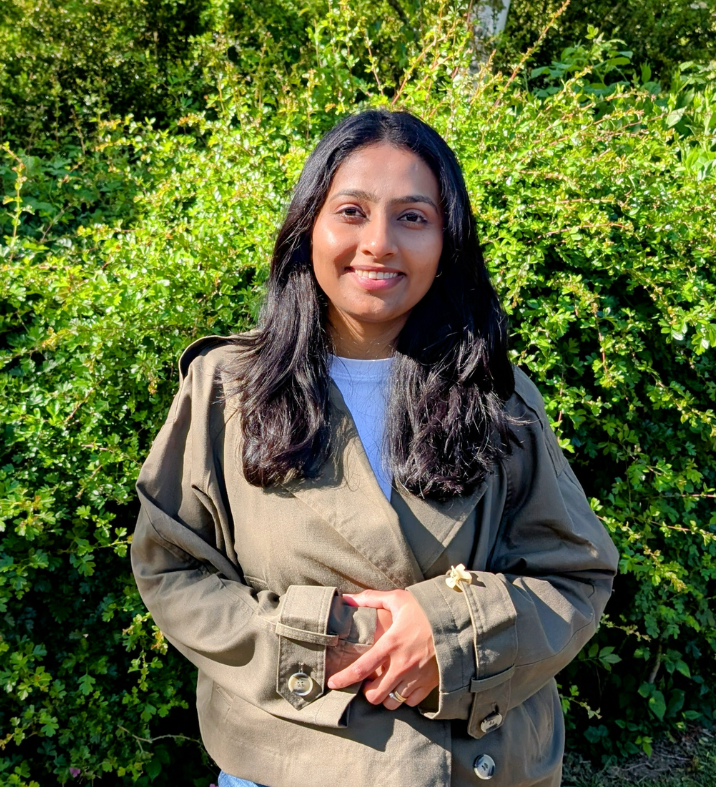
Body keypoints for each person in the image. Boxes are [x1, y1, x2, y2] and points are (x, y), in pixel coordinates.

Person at [130, 109, 619, 787]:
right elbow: (171, 569)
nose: (379, 243)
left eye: (413, 217)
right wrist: (319, 641)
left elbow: (575, 575)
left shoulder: (497, 395)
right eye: (352, 211)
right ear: (309, 230)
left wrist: (449, 631)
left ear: (448, 241)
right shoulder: (227, 390)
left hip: (476, 766)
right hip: (282, 767)